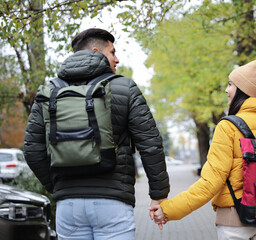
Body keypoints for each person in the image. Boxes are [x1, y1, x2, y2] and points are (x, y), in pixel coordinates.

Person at [23, 28, 170, 240]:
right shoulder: (124, 87)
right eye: (112, 52)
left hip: (68, 206)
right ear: (96, 52)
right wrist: (159, 196)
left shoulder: (48, 92)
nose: (117, 59)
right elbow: (151, 145)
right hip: (113, 204)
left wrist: (57, 185)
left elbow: (32, 149)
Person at [149, 58, 256, 240]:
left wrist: (169, 210)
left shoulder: (228, 127)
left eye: (231, 84)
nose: (226, 89)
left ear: (243, 89)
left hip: (235, 221)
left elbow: (210, 183)